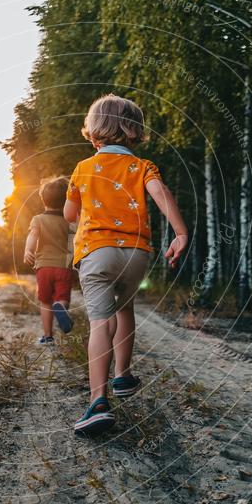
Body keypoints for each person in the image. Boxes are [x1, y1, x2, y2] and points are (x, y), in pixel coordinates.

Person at [63, 94, 188, 436]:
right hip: (136, 254)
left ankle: (98, 402)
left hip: (96, 251)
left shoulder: (83, 169)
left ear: (93, 130)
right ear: (134, 130)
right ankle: (122, 375)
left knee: (100, 323)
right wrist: (179, 233)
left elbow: (69, 215)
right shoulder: (142, 167)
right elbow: (160, 194)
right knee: (125, 308)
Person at [24, 176, 74, 344]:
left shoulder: (38, 219)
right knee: (62, 297)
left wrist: (28, 250)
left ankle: (48, 336)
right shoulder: (69, 221)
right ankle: (61, 307)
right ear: (65, 200)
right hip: (64, 266)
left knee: (45, 301)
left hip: (44, 266)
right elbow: (74, 242)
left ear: (43, 200)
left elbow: (33, 235)